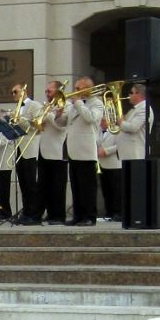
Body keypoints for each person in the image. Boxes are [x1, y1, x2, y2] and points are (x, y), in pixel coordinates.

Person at [64, 77, 103, 226]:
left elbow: (90, 118)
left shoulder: (97, 103)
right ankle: (78, 216)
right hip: (73, 149)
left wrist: (78, 102)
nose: (76, 91)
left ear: (88, 89)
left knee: (87, 186)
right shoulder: (74, 105)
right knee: (76, 186)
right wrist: (60, 113)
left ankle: (90, 217)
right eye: (75, 88)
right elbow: (66, 122)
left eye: (79, 88)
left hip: (86, 150)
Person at [37, 80, 70, 224]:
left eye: (49, 91)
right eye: (46, 91)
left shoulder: (66, 106)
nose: (46, 94)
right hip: (44, 148)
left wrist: (49, 116)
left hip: (58, 150)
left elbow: (63, 127)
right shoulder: (47, 106)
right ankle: (49, 213)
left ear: (57, 92)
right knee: (44, 184)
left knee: (57, 185)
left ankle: (58, 215)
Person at [10, 84, 44, 224]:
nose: (13, 94)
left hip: (31, 147)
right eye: (12, 92)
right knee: (23, 183)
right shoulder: (16, 108)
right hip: (19, 147)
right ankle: (26, 212)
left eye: (15, 91)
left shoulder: (34, 105)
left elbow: (36, 127)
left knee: (31, 183)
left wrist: (19, 119)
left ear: (24, 91)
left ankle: (34, 214)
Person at [117, 83, 153, 162]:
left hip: (135, 154)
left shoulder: (144, 108)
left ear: (139, 94)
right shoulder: (134, 110)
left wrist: (121, 122)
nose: (129, 95)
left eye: (132, 92)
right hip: (128, 153)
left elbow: (133, 128)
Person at [97, 116, 122, 221]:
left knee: (116, 190)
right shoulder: (98, 131)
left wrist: (106, 151)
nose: (101, 123)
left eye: (103, 120)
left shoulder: (117, 130)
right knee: (105, 189)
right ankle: (109, 212)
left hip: (115, 164)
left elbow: (120, 145)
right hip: (102, 164)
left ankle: (118, 213)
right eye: (100, 121)